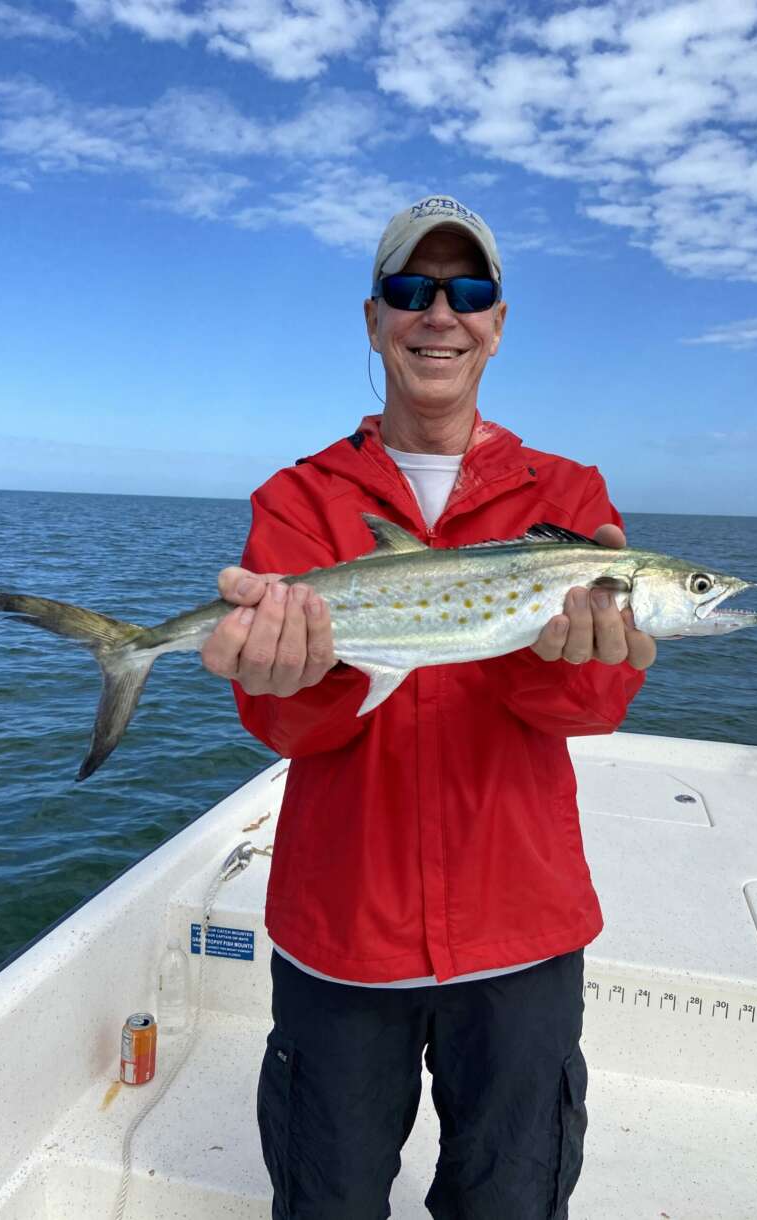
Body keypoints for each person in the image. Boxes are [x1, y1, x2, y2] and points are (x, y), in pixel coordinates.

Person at [201, 195, 656, 1220]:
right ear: (375, 321)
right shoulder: (298, 498)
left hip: (520, 928)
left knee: (508, 1199)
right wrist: (285, 679)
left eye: (469, 291)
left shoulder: (570, 497)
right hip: (343, 928)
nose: (439, 313)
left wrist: (570, 655)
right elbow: (288, 728)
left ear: (499, 321)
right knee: (329, 1197)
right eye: (411, 290)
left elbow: (593, 702)